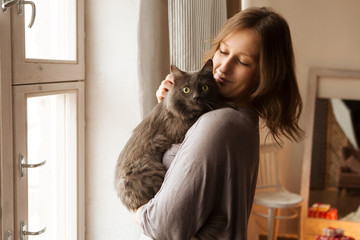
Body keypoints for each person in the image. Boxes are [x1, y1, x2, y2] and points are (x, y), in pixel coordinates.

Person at [134, 6, 303, 240]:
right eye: (223, 51)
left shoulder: (221, 123)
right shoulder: (241, 119)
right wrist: (171, 110)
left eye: (243, 62)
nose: (223, 67)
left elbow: (162, 227)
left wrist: (137, 209)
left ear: (265, 75)